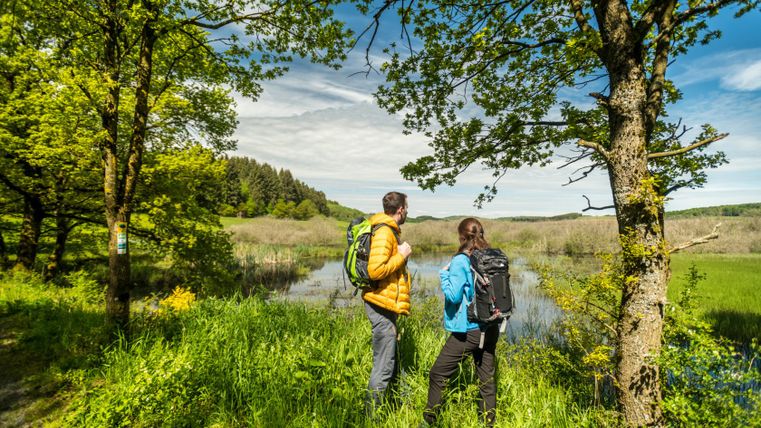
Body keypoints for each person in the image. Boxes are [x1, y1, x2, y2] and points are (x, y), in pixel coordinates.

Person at [423, 217, 499, 427]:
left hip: (469, 330)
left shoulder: (460, 261)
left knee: (438, 373)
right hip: (491, 327)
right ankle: (488, 423)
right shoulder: (491, 256)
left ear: (462, 236)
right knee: (486, 379)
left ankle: (429, 422)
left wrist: (443, 275)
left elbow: (454, 297)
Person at [363, 191, 413, 412]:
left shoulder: (388, 231)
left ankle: (393, 408)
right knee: (384, 365)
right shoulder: (384, 232)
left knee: (389, 359)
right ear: (400, 209)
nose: (408, 211)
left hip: (385, 304)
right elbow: (375, 270)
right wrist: (401, 255)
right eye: (407, 207)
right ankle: (370, 416)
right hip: (380, 305)